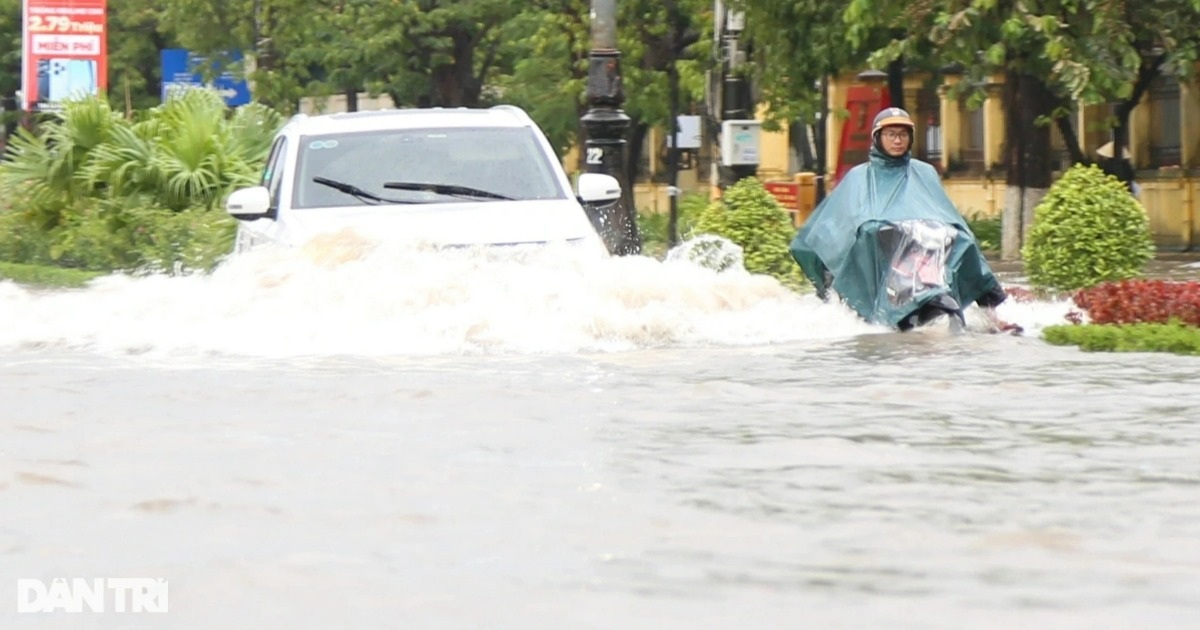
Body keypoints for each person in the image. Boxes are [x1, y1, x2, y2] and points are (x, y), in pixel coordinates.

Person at [790, 107, 1015, 332]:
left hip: (926, 243)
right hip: (883, 246)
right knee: (874, 234)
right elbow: (842, 221)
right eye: (891, 135)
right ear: (878, 138)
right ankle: (885, 307)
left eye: (903, 135)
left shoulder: (924, 172)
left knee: (963, 239)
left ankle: (991, 314)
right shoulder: (860, 176)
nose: (898, 141)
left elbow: (942, 211)